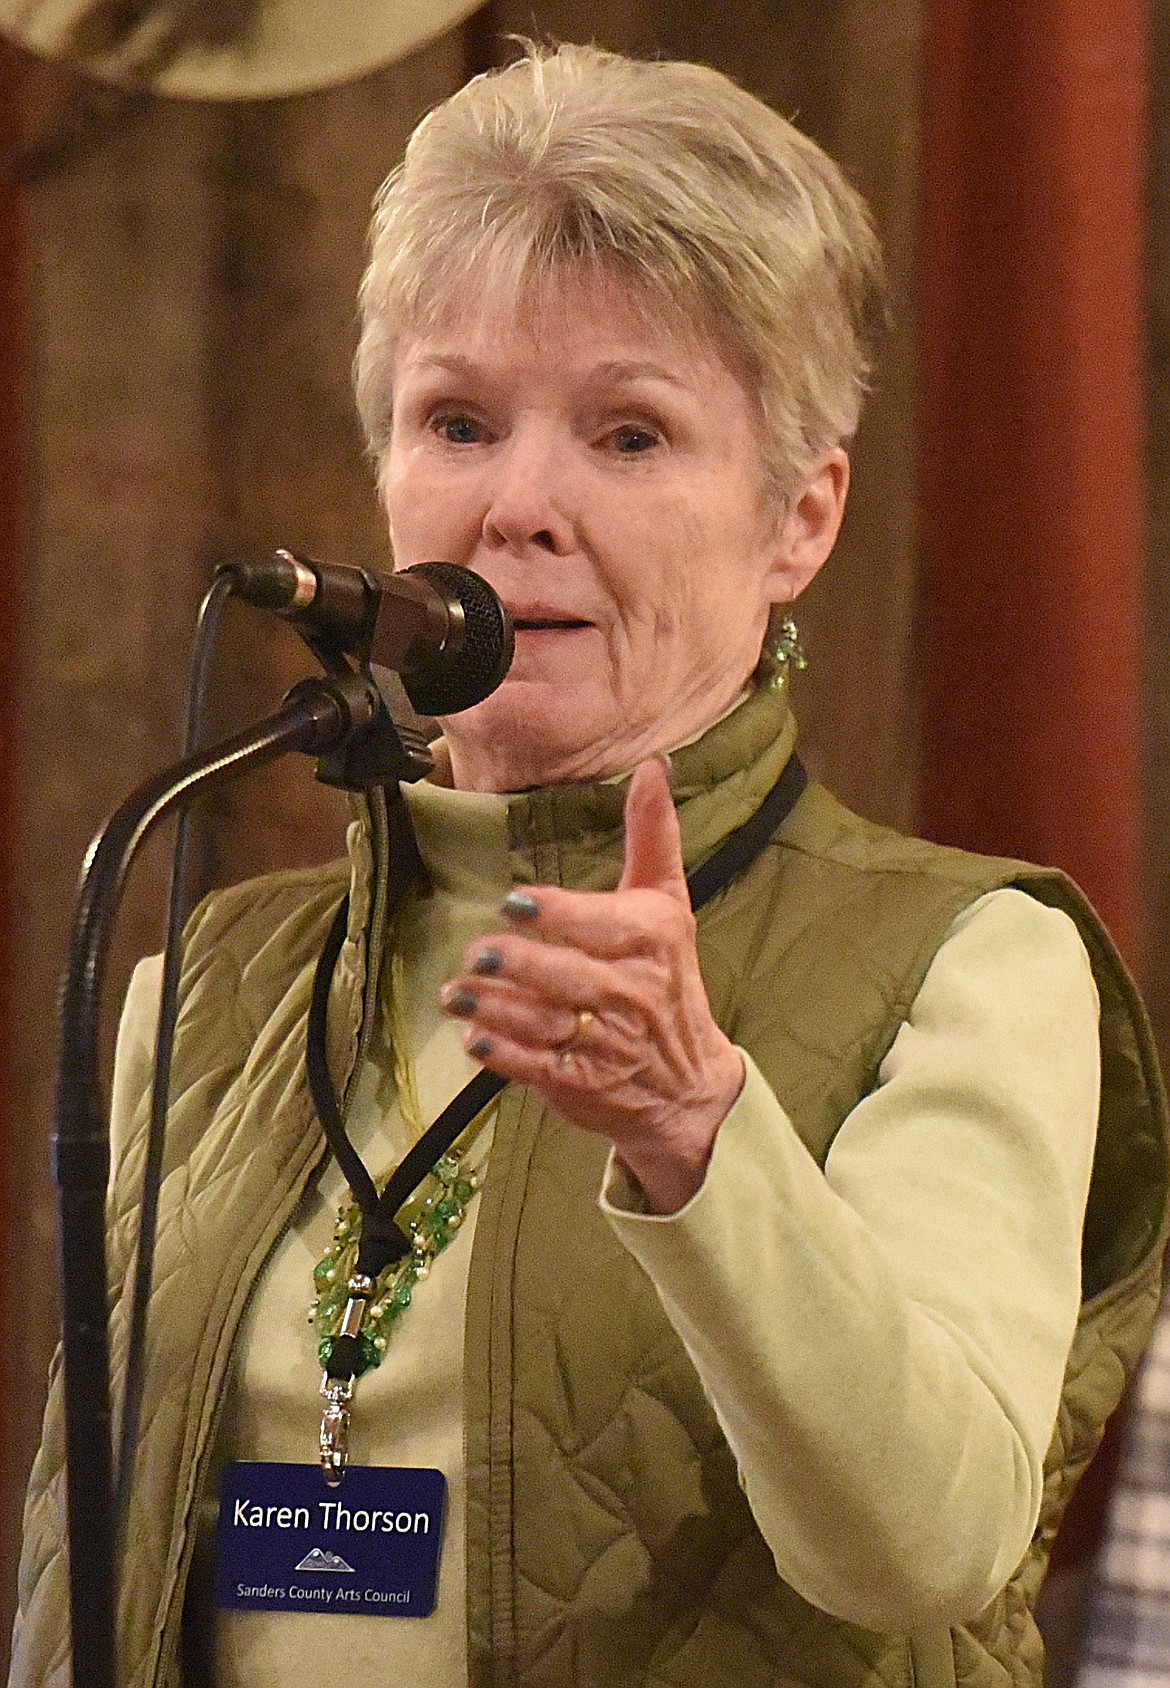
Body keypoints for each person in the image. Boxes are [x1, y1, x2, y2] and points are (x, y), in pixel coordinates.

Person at [11, 41, 1170, 1688]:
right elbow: (81, 1568)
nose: (517, 507)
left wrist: (702, 1132)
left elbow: (926, 1555)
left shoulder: (969, 960)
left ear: (799, 520)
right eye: (458, 421)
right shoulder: (202, 985)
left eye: (628, 436)